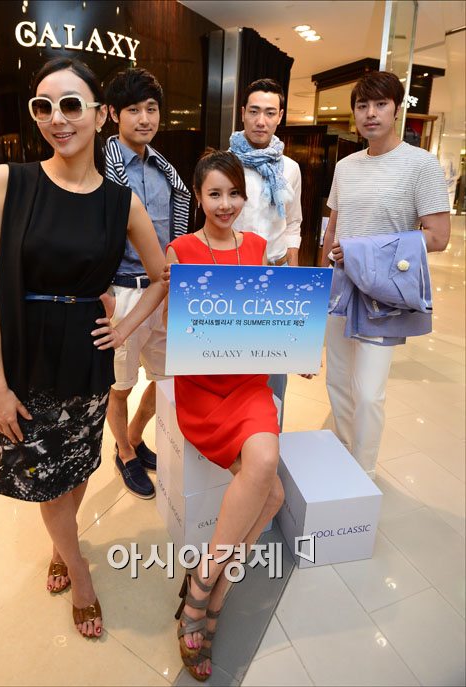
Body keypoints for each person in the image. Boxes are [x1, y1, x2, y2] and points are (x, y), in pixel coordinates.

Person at [0, 57, 167, 638]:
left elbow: (162, 277)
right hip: (26, 352)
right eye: (44, 106)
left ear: (101, 115)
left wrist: (124, 329)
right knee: (41, 471)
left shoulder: (121, 202)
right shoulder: (6, 182)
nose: (58, 119)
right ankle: (78, 568)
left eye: (72, 105)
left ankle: (62, 545)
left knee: (76, 464)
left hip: (86, 351)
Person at [166, 149, 283, 681]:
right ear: (198, 196)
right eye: (215, 193)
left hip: (248, 383)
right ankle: (210, 598)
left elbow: (270, 315)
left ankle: (204, 589)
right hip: (201, 387)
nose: (226, 203)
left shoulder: (256, 246)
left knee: (267, 474)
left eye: (235, 193)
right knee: (271, 494)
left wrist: (296, 346)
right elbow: (176, 328)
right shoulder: (181, 250)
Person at [321, 70, 450, 478]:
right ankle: (341, 452)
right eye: (362, 106)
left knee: (368, 391)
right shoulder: (346, 166)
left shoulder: (421, 165)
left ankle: (363, 472)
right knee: (337, 380)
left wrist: (365, 251)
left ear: (397, 109)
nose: (371, 113)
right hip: (341, 285)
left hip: (383, 290)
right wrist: (323, 278)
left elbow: (438, 236)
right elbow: (333, 227)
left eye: (380, 104)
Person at [104, 68, 190, 498]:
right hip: (121, 290)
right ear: (113, 114)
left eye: (151, 109)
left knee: (165, 377)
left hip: (164, 289)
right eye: (133, 110)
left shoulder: (165, 170)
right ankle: (124, 452)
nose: (144, 119)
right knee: (118, 384)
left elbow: (175, 232)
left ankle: (135, 437)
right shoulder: (101, 167)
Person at [230, 78, 303, 422]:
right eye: (255, 111)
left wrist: (293, 278)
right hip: (232, 275)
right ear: (243, 113)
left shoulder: (290, 169)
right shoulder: (224, 163)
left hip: (276, 274)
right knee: (232, 364)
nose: (261, 121)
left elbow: (293, 223)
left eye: (270, 113)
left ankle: (271, 437)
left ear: (280, 116)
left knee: (274, 368)